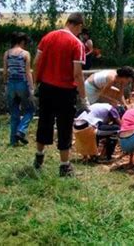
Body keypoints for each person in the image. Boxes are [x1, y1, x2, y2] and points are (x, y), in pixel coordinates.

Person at [33, 12, 89, 177]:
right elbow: (78, 74)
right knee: (64, 127)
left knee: (44, 122)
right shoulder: (76, 43)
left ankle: (39, 158)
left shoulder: (48, 37)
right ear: (78, 25)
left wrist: (36, 84)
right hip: (65, 91)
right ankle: (64, 166)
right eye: (80, 29)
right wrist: (83, 97)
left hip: (46, 88)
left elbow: (36, 63)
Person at [2, 32, 35, 146]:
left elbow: (5, 71)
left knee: (14, 112)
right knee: (30, 110)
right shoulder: (25, 54)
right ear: (22, 41)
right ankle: (21, 131)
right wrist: (31, 87)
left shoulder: (7, 53)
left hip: (11, 84)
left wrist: (5, 84)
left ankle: (13, 140)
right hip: (22, 84)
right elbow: (28, 72)